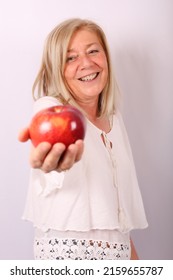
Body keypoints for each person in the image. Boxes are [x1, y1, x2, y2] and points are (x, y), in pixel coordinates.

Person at [18, 18, 148, 260]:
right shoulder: (50, 107)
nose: (87, 63)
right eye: (71, 57)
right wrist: (53, 160)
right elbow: (49, 145)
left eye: (93, 51)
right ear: (57, 68)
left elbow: (114, 216)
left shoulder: (113, 119)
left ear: (106, 57)